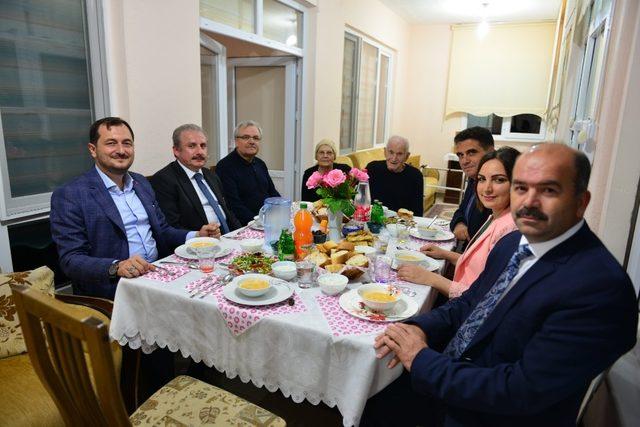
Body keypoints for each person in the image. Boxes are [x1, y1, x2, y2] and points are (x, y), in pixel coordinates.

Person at [361, 144, 638, 426]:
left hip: (489, 411)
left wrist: (421, 360)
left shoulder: (600, 289)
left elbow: (521, 391)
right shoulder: (513, 243)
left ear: (582, 201)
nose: (529, 202)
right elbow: (468, 303)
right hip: (455, 374)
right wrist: (418, 327)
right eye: (521, 188)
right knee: (366, 395)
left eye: (548, 190)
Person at [50, 117, 220, 300]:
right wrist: (117, 267)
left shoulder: (142, 183)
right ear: (93, 150)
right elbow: (71, 260)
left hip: (159, 273)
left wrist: (196, 236)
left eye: (127, 143)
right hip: (115, 288)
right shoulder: (71, 194)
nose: (121, 150)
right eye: (111, 143)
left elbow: (163, 230)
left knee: (213, 293)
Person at [398, 147, 520, 298]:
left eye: (499, 180)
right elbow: (481, 265)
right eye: (482, 179)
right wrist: (446, 254)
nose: (487, 189)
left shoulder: (510, 231)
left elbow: (485, 299)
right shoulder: (497, 215)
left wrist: (431, 278)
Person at [150, 124, 241, 234]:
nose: (200, 152)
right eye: (192, 146)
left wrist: (240, 234)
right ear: (176, 151)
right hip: (198, 244)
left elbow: (228, 211)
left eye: (203, 146)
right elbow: (171, 226)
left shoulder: (211, 175)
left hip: (227, 238)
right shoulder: (164, 180)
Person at [215, 120, 280, 225]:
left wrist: (281, 209)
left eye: (256, 138)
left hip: (266, 221)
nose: (252, 141)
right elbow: (233, 206)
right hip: (244, 226)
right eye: (246, 137)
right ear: (236, 141)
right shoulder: (225, 167)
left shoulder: (260, 164)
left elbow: (272, 193)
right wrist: (259, 221)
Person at [449, 126, 495, 245]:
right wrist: (459, 223)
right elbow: (461, 211)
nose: (464, 161)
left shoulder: (496, 190)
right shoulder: (473, 180)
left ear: (491, 152)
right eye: (460, 155)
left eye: (471, 152)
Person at [366, 136, 424, 216]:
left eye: (399, 154)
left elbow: (417, 212)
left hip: (401, 224)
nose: (394, 158)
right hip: (373, 220)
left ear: (407, 156)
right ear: (385, 152)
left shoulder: (415, 176)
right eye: (391, 152)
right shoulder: (372, 168)